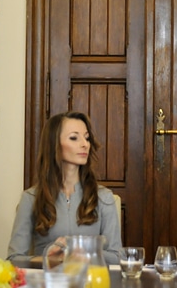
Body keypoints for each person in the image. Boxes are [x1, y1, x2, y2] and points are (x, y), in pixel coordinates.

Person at [7, 111, 122, 264]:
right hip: (48, 284)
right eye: (74, 138)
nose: (85, 144)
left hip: (90, 284)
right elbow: (13, 260)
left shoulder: (104, 197)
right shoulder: (31, 198)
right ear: (54, 144)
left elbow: (117, 257)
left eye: (86, 138)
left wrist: (84, 251)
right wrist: (50, 259)